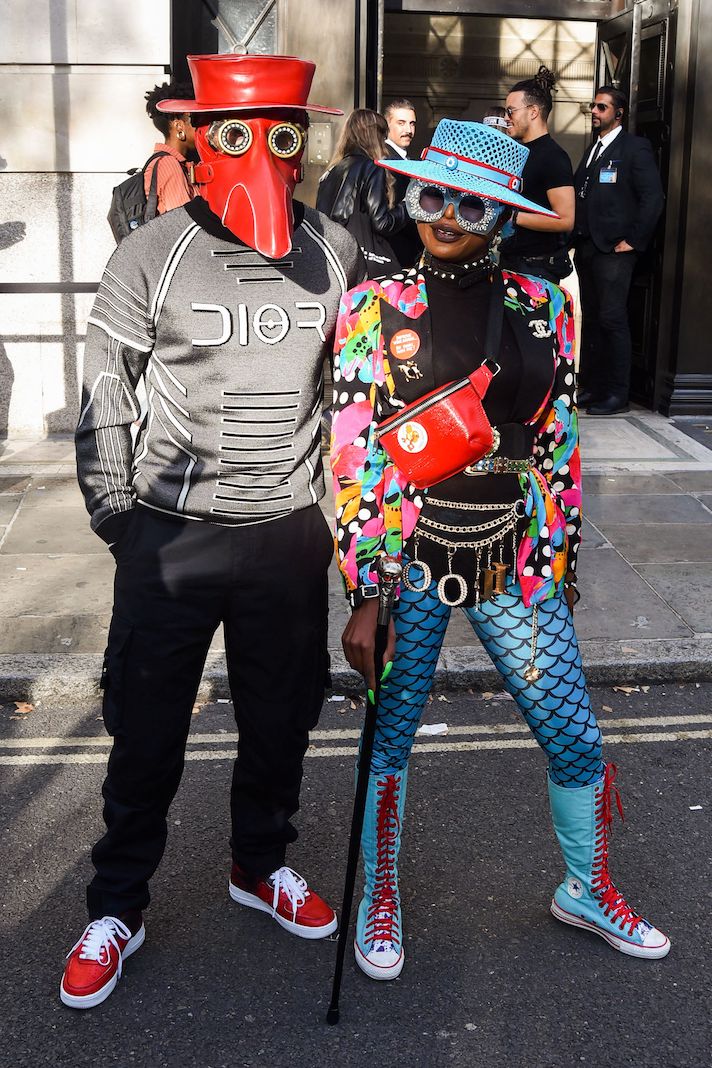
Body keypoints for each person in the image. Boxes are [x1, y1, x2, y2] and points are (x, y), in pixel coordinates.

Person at [331, 118, 670, 982]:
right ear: (413, 197)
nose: (446, 216)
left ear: (501, 215)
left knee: (572, 734)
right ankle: (380, 896)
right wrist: (366, 589)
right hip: (410, 558)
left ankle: (585, 890)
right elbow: (354, 450)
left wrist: (559, 560)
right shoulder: (375, 306)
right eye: (433, 195)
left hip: (512, 559)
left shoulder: (544, 304)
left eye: (470, 203)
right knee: (391, 740)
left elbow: (559, 440)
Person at [61, 53, 363, 1010]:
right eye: (240, 131)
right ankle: (118, 904)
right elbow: (106, 389)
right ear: (197, 139)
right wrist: (120, 518)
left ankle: (259, 862)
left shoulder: (335, 249)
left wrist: (355, 541)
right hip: (173, 533)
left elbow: (352, 406)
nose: (266, 152)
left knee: (283, 717)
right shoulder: (151, 252)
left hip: (286, 534)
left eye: (286, 132)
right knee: (144, 728)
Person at [573, 86, 664, 415]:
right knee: (593, 320)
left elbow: (653, 197)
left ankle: (617, 393)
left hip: (615, 251)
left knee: (612, 320)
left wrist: (634, 241)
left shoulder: (634, 148)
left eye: (601, 107)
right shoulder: (593, 148)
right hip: (587, 248)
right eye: (592, 106)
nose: (594, 112)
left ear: (618, 113)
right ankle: (593, 387)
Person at [499, 66, 575, 284]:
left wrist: (513, 218)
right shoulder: (517, 152)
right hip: (512, 262)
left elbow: (565, 220)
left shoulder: (554, 157)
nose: (506, 118)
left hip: (536, 270)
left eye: (511, 111)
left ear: (533, 112)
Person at [317, 108, 409, 276]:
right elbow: (383, 223)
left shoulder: (331, 172)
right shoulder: (372, 167)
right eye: (383, 135)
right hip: (363, 263)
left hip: (332, 260)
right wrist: (408, 204)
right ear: (375, 137)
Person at [143, 80, 198, 213]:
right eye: (197, 121)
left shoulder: (177, 165)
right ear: (179, 127)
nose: (202, 128)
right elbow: (184, 225)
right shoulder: (169, 165)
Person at [382, 98, 422, 268]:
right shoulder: (385, 160)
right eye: (401, 123)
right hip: (392, 251)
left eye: (412, 124)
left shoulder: (406, 160)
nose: (408, 130)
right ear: (387, 125)